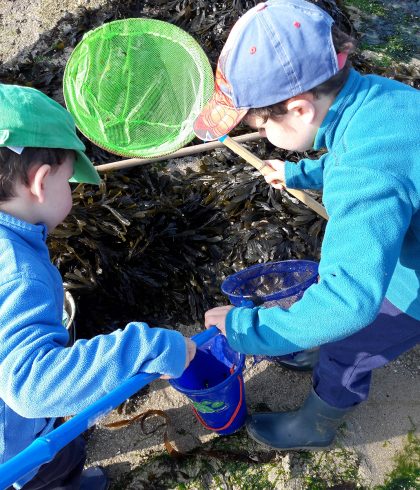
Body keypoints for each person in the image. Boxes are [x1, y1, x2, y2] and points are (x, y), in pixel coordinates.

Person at [194, 0, 420, 450]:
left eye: (260, 126)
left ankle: (316, 426)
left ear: (298, 108)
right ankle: (310, 338)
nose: (260, 137)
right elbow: (378, 157)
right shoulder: (382, 98)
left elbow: (350, 302)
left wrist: (247, 329)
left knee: (347, 346)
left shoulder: (366, 174)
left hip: (412, 284)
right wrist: (300, 174)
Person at [0, 83, 196, 489]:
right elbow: (30, 385)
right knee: (55, 460)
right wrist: (153, 347)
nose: (71, 190)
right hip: (13, 446)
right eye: (68, 181)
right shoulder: (19, 274)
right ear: (40, 182)